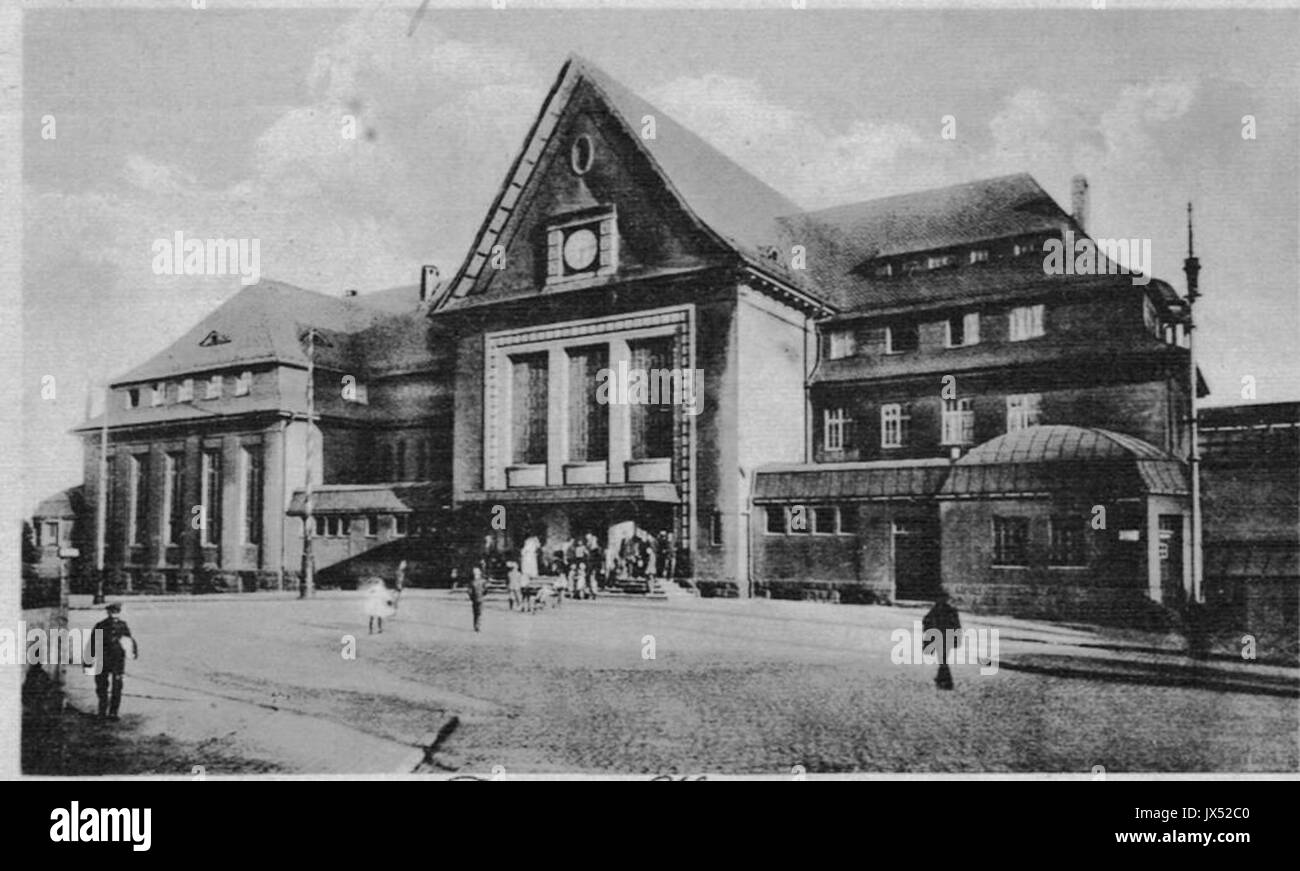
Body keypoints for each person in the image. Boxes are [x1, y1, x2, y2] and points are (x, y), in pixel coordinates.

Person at [86, 602, 137, 720]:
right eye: (112, 612)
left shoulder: (123, 625)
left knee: (116, 686)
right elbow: (93, 642)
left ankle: (113, 712)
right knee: (102, 686)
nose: (114, 614)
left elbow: (128, 641)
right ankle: (102, 711)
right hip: (103, 659)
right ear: (108, 612)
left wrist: (132, 652)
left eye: (116, 612)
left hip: (117, 660)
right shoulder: (101, 625)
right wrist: (88, 660)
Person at [921, 591, 961, 690]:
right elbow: (957, 626)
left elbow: (926, 621)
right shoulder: (951, 610)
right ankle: (942, 679)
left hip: (940, 637)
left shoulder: (936, 610)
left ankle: (946, 681)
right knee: (942, 659)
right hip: (945, 637)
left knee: (942, 659)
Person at [468, 565, 487, 631]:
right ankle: (477, 625)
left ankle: (476, 625)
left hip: (475, 599)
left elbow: (469, 591)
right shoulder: (483, 581)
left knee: (476, 613)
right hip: (480, 598)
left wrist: (471, 597)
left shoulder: (472, 582)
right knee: (479, 613)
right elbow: (485, 590)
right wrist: (483, 594)